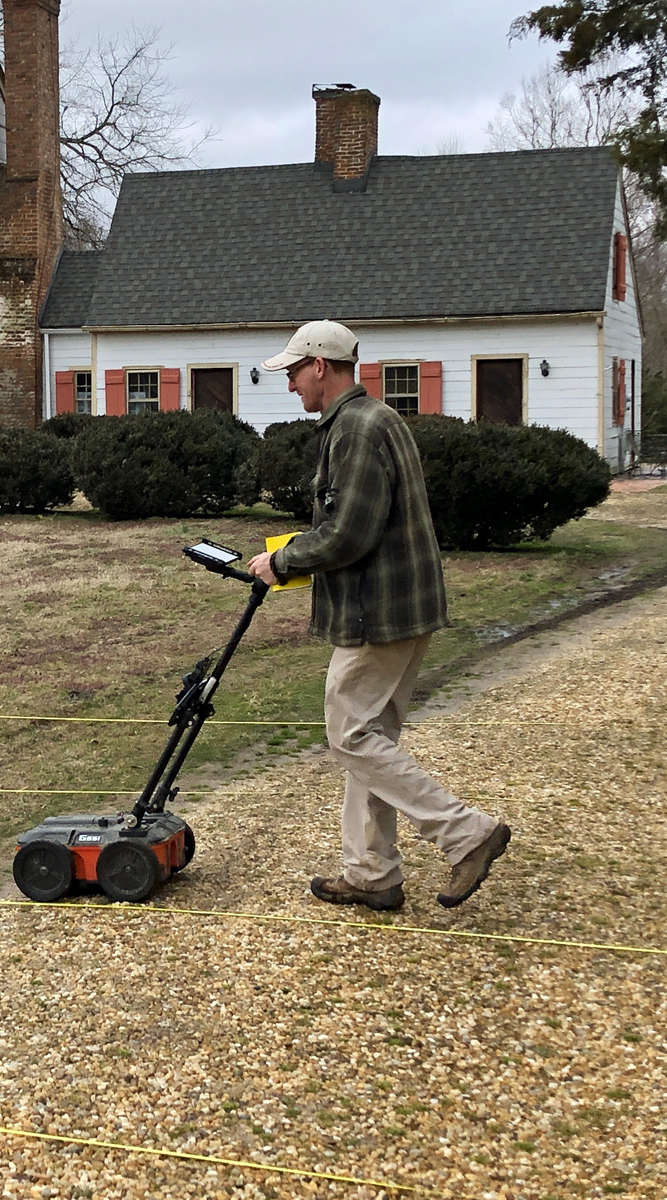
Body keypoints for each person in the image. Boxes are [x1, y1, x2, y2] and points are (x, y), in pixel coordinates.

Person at [245, 320, 510, 911]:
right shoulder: (372, 420)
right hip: (402, 605)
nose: (289, 385)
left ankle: (466, 833)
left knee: (350, 735)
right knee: (372, 737)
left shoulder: (357, 431)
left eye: (293, 372)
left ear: (320, 366)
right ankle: (372, 874)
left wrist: (282, 560)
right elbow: (354, 524)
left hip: (379, 611)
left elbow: (350, 534)